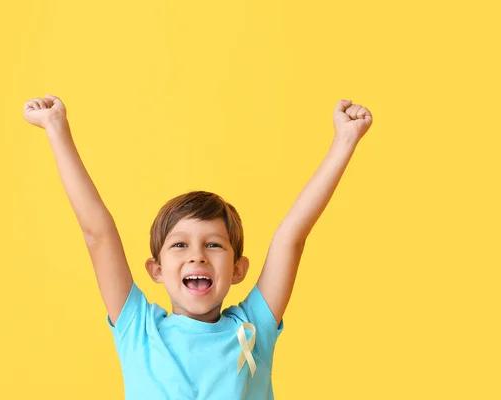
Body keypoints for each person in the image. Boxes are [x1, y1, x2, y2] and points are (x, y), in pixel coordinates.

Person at [23, 94, 373, 399]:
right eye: (179, 244)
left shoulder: (251, 329)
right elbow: (98, 234)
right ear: (156, 269)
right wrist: (56, 128)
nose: (197, 256)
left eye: (213, 245)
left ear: (238, 269)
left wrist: (344, 141)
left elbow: (291, 237)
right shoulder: (139, 329)